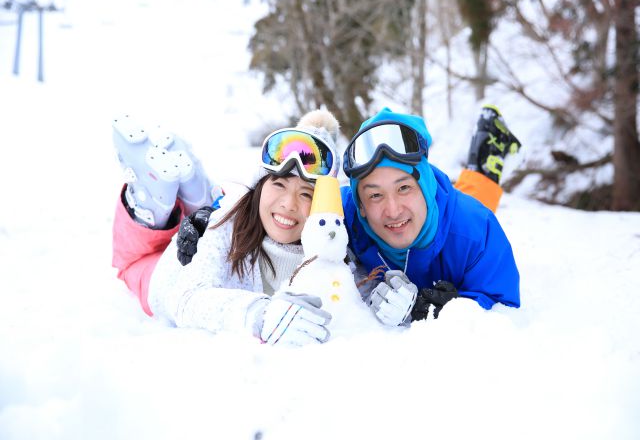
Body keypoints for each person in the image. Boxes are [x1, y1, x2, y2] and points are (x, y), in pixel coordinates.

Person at [178, 105, 522, 327]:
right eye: (374, 194)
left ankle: (487, 156)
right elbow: (286, 207)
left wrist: (437, 307)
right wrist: (216, 218)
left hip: (458, 225)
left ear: (425, 185)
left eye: (404, 188)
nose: (392, 210)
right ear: (357, 198)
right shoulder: (342, 210)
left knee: (470, 203)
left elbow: (505, 310)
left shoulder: (477, 231)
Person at [111, 110, 344, 346]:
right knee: (130, 262)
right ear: (259, 187)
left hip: (203, 235)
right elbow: (185, 299)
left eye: (306, 193)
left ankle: (194, 193)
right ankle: (148, 205)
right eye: (279, 184)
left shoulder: (332, 249)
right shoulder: (228, 226)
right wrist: (260, 315)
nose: (288, 203)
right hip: (163, 277)